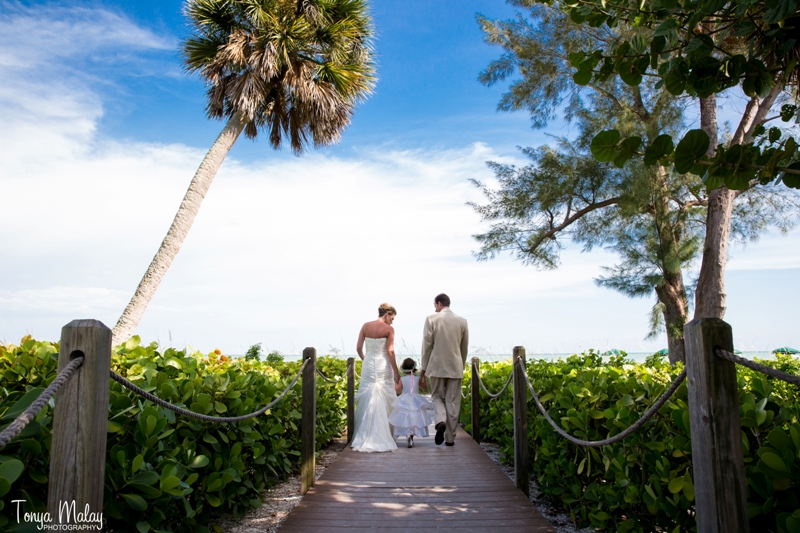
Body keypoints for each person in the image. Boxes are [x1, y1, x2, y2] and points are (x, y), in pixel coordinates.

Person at [350, 303, 401, 453]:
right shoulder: (389, 329)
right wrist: (396, 372)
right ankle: (385, 434)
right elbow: (390, 352)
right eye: (392, 317)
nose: (392, 321)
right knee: (385, 395)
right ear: (387, 314)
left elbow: (358, 347)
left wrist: (365, 359)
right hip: (383, 365)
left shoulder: (365, 326)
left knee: (369, 394)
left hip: (368, 365)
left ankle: (365, 434)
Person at [420, 293, 469, 446]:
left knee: (436, 397)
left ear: (439, 303)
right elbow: (464, 347)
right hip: (455, 366)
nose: (435, 309)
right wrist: (461, 364)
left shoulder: (431, 319)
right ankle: (450, 438)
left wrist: (423, 367)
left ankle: (440, 421)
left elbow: (426, 346)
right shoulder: (462, 321)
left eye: (435, 306)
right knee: (453, 401)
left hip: (436, 366)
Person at [388, 358, 434, 448]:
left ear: (403, 368)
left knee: (404, 417)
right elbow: (423, 388)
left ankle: (403, 435)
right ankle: (411, 436)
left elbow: (398, 390)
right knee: (415, 418)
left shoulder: (402, 379)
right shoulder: (417, 378)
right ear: (414, 368)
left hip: (405, 398)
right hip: (415, 399)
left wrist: (396, 383)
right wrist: (423, 379)